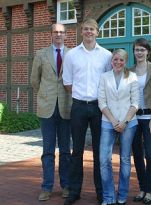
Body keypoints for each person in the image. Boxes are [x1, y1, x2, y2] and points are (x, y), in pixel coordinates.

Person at [62, 18, 112, 205]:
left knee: (101, 152)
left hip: (100, 108)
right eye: (85, 29)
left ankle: (101, 193)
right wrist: (81, 97)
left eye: (92, 29)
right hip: (79, 106)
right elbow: (68, 83)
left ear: (97, 32)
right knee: (77, 151)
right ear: (81, 31)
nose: (89, 32)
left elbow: (108, 81)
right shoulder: (72, 55)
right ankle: (75, 191)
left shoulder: (106, 56)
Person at [30, 23, 71, 201]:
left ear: (66, 35)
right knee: (47, 150)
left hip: (66, 107)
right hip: (46, 107)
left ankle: (66, 186)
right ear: (51, 34)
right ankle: (46, 187)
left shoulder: (72, 54)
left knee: (65, 151)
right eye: (56, 32)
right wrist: (45, 94)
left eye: (61, 32)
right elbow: (34, 80)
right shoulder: (41, 54)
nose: (59, 35)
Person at [98, 49, 139, 205]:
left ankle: (122, 195)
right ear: (111, 60)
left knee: (125, 159)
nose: (118, 62)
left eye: (121, 60)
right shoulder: (104, 77)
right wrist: (114, 121)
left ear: (125, 61)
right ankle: (108, 197)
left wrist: (124, 122)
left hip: (128, 122)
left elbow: (135, 103)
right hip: (108, 121)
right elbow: (101, 102)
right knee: (103, 160)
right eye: (115, 59)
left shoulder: (132, 77)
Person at [131, 38, 151, 204]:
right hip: (134, 119)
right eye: (137, 50)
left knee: (150, 154)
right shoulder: (129, 71)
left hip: (149, 118)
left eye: (142, 50)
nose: (139, 53)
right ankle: (142, 188)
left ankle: (149, 191)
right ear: (134, 52)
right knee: (137, 154)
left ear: (148, 52)